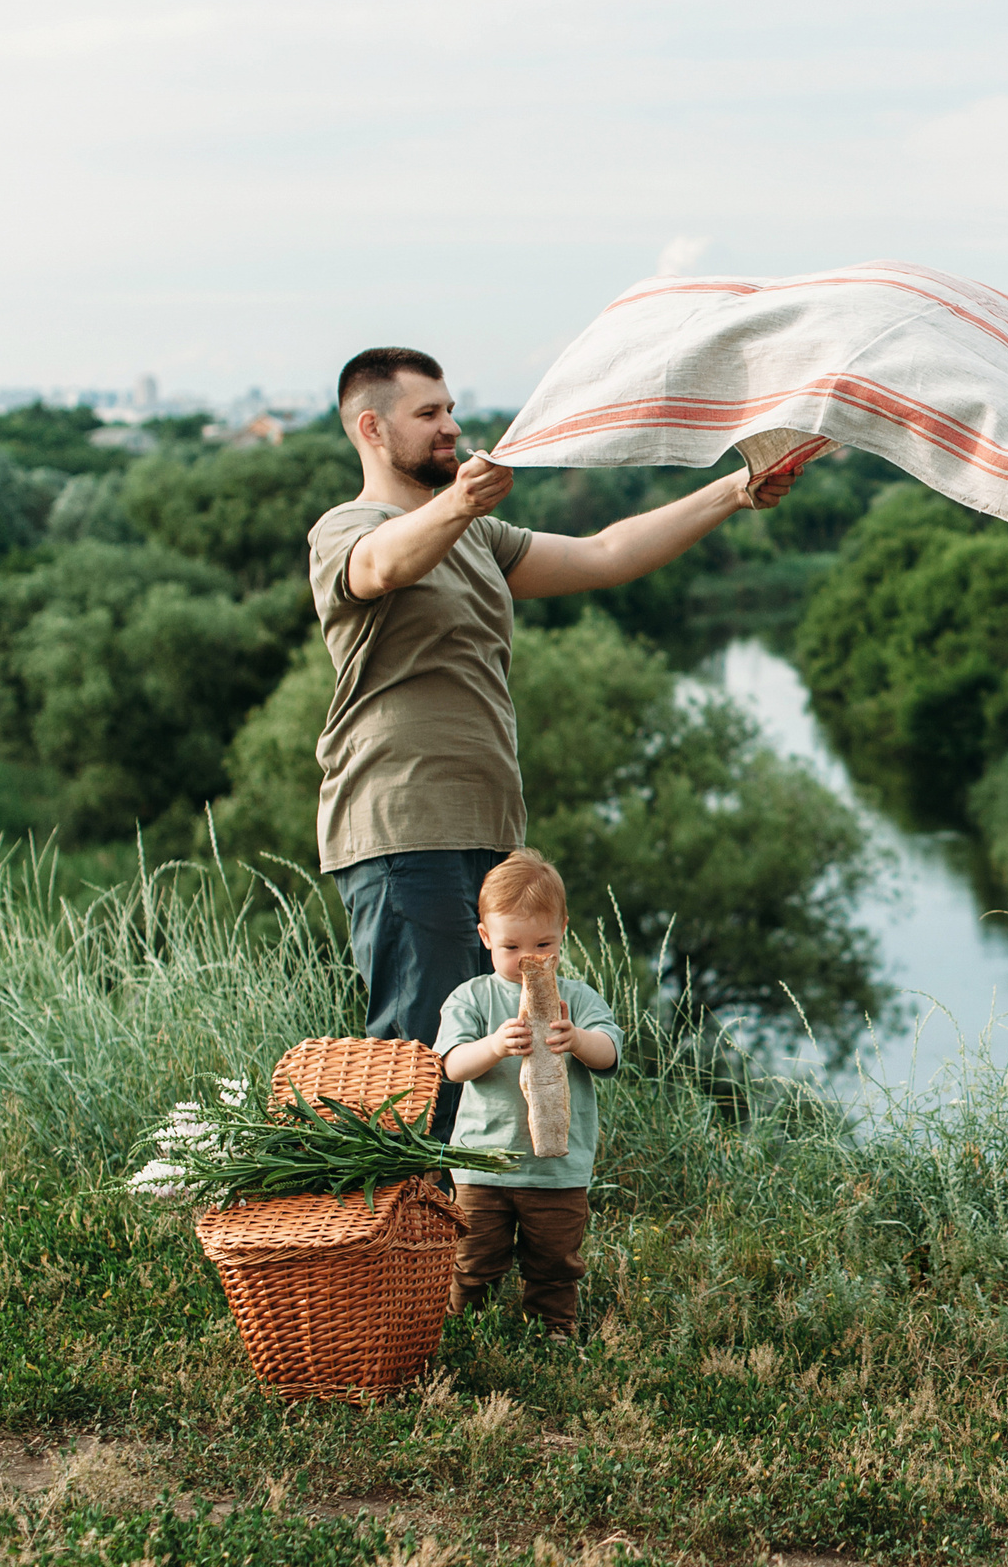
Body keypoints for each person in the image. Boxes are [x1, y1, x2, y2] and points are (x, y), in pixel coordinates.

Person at [310, 346, 793, 1136]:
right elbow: (383, 566)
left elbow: (605, 554)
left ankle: (474, 1213)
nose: (451, 426)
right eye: (428, 413)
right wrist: (459, 504)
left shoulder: (478, 536)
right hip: (404, 826)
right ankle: (404, 1217)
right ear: (371, 428)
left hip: (489, 830)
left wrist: (735, 490)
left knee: (492, 1056)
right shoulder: (349, 528)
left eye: (450, 409)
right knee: (422, 1059)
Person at [435, 848, 623, 1338]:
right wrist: (494, 1046)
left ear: (563, 931)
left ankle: (553, 1328)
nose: (527, 959)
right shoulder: (472, 997)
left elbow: (609, 1053)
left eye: (543, 943)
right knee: (474, 1257)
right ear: (485, 938)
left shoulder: (577, 998)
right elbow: (451, 1065)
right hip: (482, 1163)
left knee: (555, 1260)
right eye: (511, 946)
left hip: (558, 1170)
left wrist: (576, 1040)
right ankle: (466, 1328)